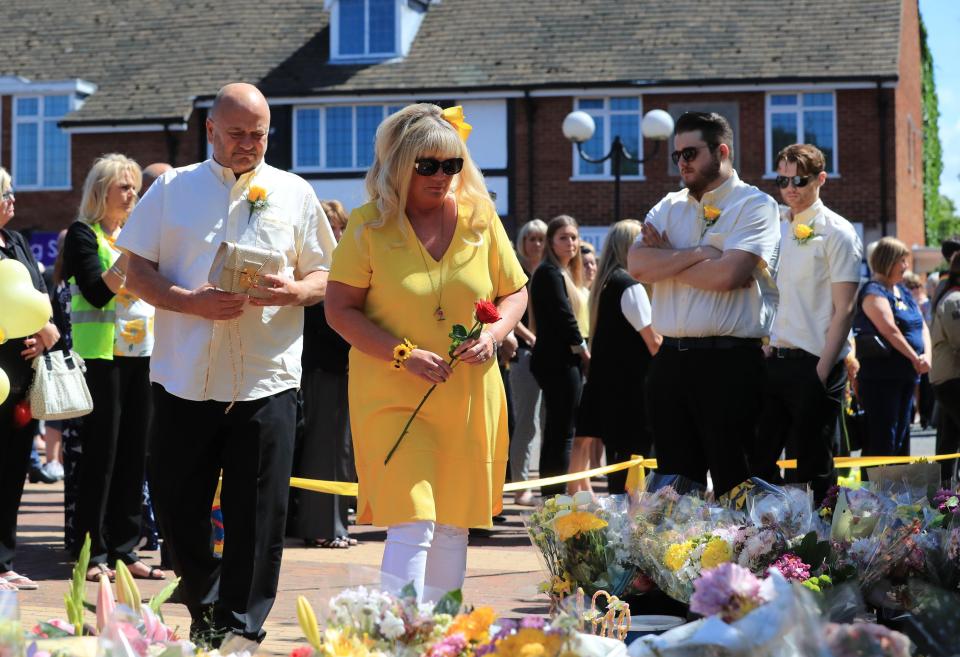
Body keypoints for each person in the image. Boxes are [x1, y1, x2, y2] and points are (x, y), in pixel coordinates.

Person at [119, 83, 335, 643]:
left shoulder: (295, 192)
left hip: (267, 377)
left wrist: (293, 290)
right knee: (175, 503)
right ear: (210, 129)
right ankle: (207, 608)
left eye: (258, 134)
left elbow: (326, 276)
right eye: (237, 133)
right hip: (184, 376)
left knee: (260, 513)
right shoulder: (171, 188)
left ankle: (240, 628)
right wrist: (188, 302)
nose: (248, 144)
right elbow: (132, 270)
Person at [325, 104, 527, 602]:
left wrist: (495, 335)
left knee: (455, 523)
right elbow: (339, 310)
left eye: (452, 165)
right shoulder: (368, 226)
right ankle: (398, 634)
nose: (442, 177)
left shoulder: (481, 219)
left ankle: (443, 635)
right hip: (392, 395)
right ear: (399, 165)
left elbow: (515, 292)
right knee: (413, 519)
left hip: (468, 394)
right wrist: (402, 355)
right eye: (428, 166)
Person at [628, 111, 780, 496]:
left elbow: (729, 276)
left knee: (739, 483)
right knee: (674, 489)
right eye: (676, 155)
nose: (682, 163)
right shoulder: (668, 205)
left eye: (690, 153)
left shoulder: (754, 205)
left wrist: (669, 259)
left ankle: (749, 559)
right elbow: (637, 265)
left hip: (730, 363)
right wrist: (702, 253)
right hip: (670, 363)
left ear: (722, 151)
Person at [61, 154, 161, 583]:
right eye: (125, 187)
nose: (133, 195)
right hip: (101, 359)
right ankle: (93, 553)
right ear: (102, 192)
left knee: (133, 456)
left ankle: (125, 550)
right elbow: (97, 294)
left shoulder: (132, 235)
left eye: (135, 187)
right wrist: (131, 255)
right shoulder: (85, 236)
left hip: (141, 357)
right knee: (101, 458)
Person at [754, 144, 862, 503]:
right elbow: (770, 292)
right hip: (776, 361)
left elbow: (846, 309)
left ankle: (821, 552)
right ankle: (769, 542)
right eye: (782, 179)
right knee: (757, 459)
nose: (790, 188)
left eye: (799, 180)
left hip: (816, 363)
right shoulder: (778, 225)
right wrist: (766, 342)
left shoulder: (838, 231)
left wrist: (822, 368)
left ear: (820, 179)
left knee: (814, 468)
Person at [0, 166, 61, 591]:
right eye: (7, 192)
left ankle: (4, 562)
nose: (14, 200)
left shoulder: (17, 242)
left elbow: (40, 300)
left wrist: (43, 339)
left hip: (20, 381)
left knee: (12, 472)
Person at [287, 199, 357, 549]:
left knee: (341, 450)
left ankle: (337, 525)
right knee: (323, 449)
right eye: (329, 227)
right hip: (321, 368)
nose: (337, 232)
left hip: (348, 367)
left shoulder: (349, 264)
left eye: (340, 226)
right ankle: (323, 528)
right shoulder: (312, 270)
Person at [574, 220, 660, 495]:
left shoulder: (607, 284)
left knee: (619, 462)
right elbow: (654, 341)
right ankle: (632, 529)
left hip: (612, 388)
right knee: (633, 463)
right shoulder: (628, 285)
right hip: (632, 391)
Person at [852, 237, 931, 458]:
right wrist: (915, 358)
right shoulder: (873, 290)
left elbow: (921, 324)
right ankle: (874, 493)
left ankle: (897, 492)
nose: (906, 266)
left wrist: (927, 357)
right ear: (888, 261)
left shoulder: (903, 291)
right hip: (881, 379)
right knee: (883, 440)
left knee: (901, 440)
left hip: (906, 376)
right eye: (902, 261)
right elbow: (889, 329)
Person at [530, 214, 589, 497]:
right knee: (561, 433)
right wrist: (583, 349)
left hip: (566, 360)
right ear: (551, 243)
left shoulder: (567, 274)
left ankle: (553, 496)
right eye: (563, 238)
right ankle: (555, 497)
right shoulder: (549, 273)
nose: (570, 243)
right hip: (557, 361)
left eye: (574, 237)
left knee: (559, 431)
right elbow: (565, 318)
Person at [508, 219, 546, 506]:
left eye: (541, 238)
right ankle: (521, 486)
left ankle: (545, 481)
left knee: (549, 421)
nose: (536, 244)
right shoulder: (517, 272)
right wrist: (531, 337)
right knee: (526, 422)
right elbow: (507, 310)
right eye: (531, 238)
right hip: (525, 354)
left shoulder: (551, 272)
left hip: (551, 356)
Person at [930, 255, 960, 484]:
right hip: (952, 377)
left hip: (949, 377)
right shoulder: (954, 300)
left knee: (949, 437)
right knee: (949, 437)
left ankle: (945, 493)